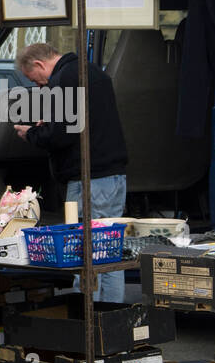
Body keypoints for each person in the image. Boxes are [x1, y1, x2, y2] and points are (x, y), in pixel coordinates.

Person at [14, 41, 129, 301]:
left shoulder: (64, 80)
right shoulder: (91, 71)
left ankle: (88, 320)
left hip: (89, 179)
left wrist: (31, 133)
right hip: (111, 176)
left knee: (84, 254)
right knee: (107, 253)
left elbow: (60, 135)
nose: (38, 86)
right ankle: (109, 321)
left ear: (39, 64)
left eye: (36, 80)